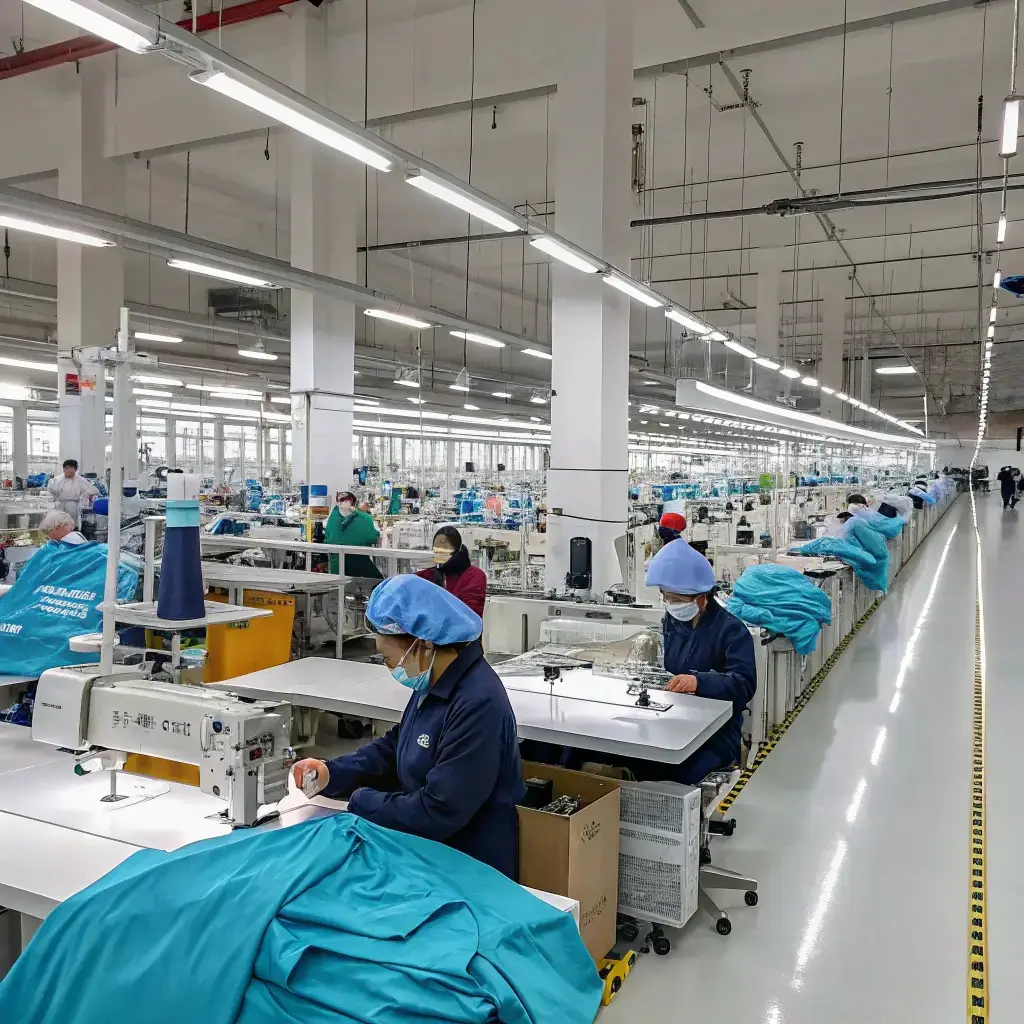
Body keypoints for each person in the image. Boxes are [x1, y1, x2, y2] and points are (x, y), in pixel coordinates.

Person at [292, 574, 524, 878]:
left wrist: (363, 800)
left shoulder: (478, 703)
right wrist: (333, 773)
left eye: (389, 658)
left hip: (468, 869)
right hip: (427, 854)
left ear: (422, 646)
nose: (390, 667)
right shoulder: (435, 681)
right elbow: (397, 747)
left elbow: (438, 811)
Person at [644, 538, 757, 783]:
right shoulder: (674, 622)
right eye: (665, 596)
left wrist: (698, 682)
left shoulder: (731, 631)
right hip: (674, 719)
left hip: (716, 733)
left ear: (701, 597)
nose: (670, 604)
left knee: (680, 772)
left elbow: (744, 684)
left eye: (677, 599)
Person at [416, 525, 487, 617]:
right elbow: (408, 583)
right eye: (436, 550)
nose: (440, 551)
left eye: (445, 548)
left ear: (457, 549)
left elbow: (470, 614)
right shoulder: (433, 574)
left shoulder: (475, 575)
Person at [325, 492, 383, 579]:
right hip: (357, 565)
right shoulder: (364, 518)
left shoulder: (331, 518)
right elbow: (371, 538)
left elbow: (328, 539)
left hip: (337, 568)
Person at [47, 459, 98, 526]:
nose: (68, 471)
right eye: (66, 468)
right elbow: (50, 491)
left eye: (70, 469)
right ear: (63, 469)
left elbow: (93, 491)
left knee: (71, 524)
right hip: (59, 505)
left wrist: (86, 499)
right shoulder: (57, 480)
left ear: (75, 469)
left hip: (72, 506)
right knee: (58, 524)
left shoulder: (81, 480)